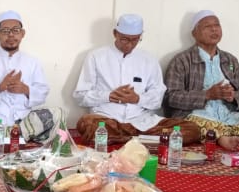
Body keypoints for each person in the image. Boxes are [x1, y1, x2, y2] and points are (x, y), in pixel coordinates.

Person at [72, 14, 168, 146]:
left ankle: (122, 138)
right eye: (124, 39)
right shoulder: (96, 56)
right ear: (115, 33)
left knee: (190, 129)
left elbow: (158, 97)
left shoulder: (149, 60)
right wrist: (109, 96)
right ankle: (137, 140)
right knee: (86, 123)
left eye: (135, 40)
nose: (129, 44)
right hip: (107, 120)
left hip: (141, 122)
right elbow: (80, 96)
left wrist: (137, 99)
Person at [0, 11, 54, 144]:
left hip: (24, 122)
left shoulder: (32, 61)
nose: (11, 35)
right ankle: (19, 138)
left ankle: (10, 137)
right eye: (5, 31)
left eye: (15, 30)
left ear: (22, 33)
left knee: (57, 113)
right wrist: (0, 87)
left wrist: (25, 89)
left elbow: (43, 92)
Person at [164, 12, 239, 151]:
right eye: (208, 26)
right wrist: (207, 95)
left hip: (231, 117)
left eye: (217, 25)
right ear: (194, 33)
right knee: (189, 127)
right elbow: (170, 97)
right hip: (197, 116)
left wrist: (233, 97)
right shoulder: (182, 60)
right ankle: (221, 138)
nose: (214, 29)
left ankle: (233, 136)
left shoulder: (230, 60)